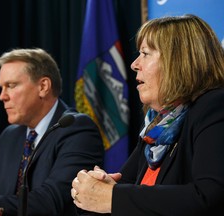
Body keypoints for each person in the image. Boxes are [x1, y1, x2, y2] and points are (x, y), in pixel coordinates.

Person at [71, 14, 224, 215]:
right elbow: (124, 185)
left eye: (145, 53)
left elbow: (209, 196)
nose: (135, 64)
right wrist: (98, 187)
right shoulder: (159, 125)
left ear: (177, 61)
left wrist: (113, 196)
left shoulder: (214, 106)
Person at [0, 48, 104, 215]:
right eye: (2, 88)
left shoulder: (76, 129)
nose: (2, 96)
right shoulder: (11, 136)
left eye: (11, 85)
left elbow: (50, 201)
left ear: (43, 86)